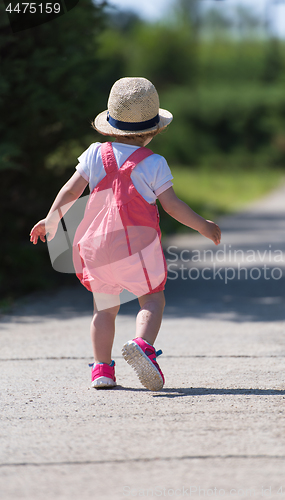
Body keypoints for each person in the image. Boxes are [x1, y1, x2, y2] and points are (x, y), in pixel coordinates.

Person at [30, 77, 221, 392]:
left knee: (104, 309)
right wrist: (203, 225)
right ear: (153, 131)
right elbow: (172, 206)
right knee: (151, 299)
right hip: (136, 247)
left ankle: (102, 370)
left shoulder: (93, 154)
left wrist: (51, 220)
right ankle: (143, 345)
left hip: (95, 246)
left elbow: (69, 191)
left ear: (110, 126)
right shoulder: (154, 164)